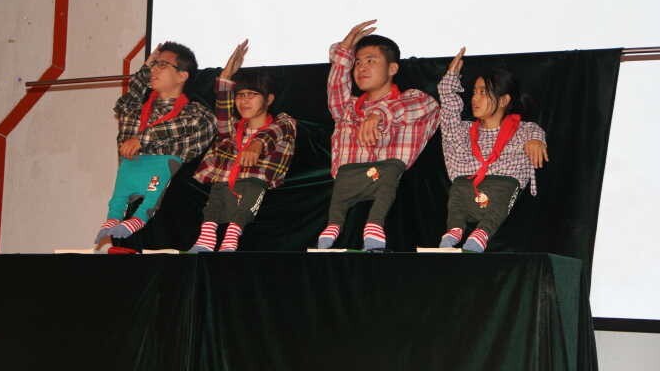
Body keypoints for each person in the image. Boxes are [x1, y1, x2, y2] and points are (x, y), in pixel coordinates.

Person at [316, 20, 440, 251]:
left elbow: (428, 105)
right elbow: (336, 86)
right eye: (357, 62)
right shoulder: (348, 108)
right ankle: (331, 229)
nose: (361, 68)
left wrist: (379, 114)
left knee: (389, 174)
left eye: (371, 61)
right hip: (349, 185)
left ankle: (373, 229)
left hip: (393, 200)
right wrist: (345, 50)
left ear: (392, 69)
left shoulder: (412, 99)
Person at [95, 42, 217, 243]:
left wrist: (143, 139)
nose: (154, 70)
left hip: (169, 216)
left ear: (182, 75)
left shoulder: (196, 113)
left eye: (162, 65)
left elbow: (195, 125)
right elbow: (128, 100)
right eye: (154, 65)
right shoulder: (135, 111)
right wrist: (146, 67)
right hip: (130, 209)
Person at [189, 40, 297, 252]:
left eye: (252, 94)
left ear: (269, 99)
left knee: (252, 189)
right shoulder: (232, 129)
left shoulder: (283, 123)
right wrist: (226, 76)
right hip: (225, 183)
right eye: (240, 95)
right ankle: (206, 237)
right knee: (214, 200)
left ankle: (232, 236)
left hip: (253, 182)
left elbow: (280, 129)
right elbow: (222, 109)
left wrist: (257, 143)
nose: (244, 101)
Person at [438, 47, 549, 252]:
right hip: (467, 185)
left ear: (504, 100)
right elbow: (449, 110)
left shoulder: (524, 129)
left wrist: (536, 141)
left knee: (505, 188)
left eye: (483, 93)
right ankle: (454, 230)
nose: (475, 98)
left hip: (500, 188)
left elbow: (536, 135)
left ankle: (482, 234)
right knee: (457, 192)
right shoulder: (462, 131)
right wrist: (450, 78)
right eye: (474, 92)